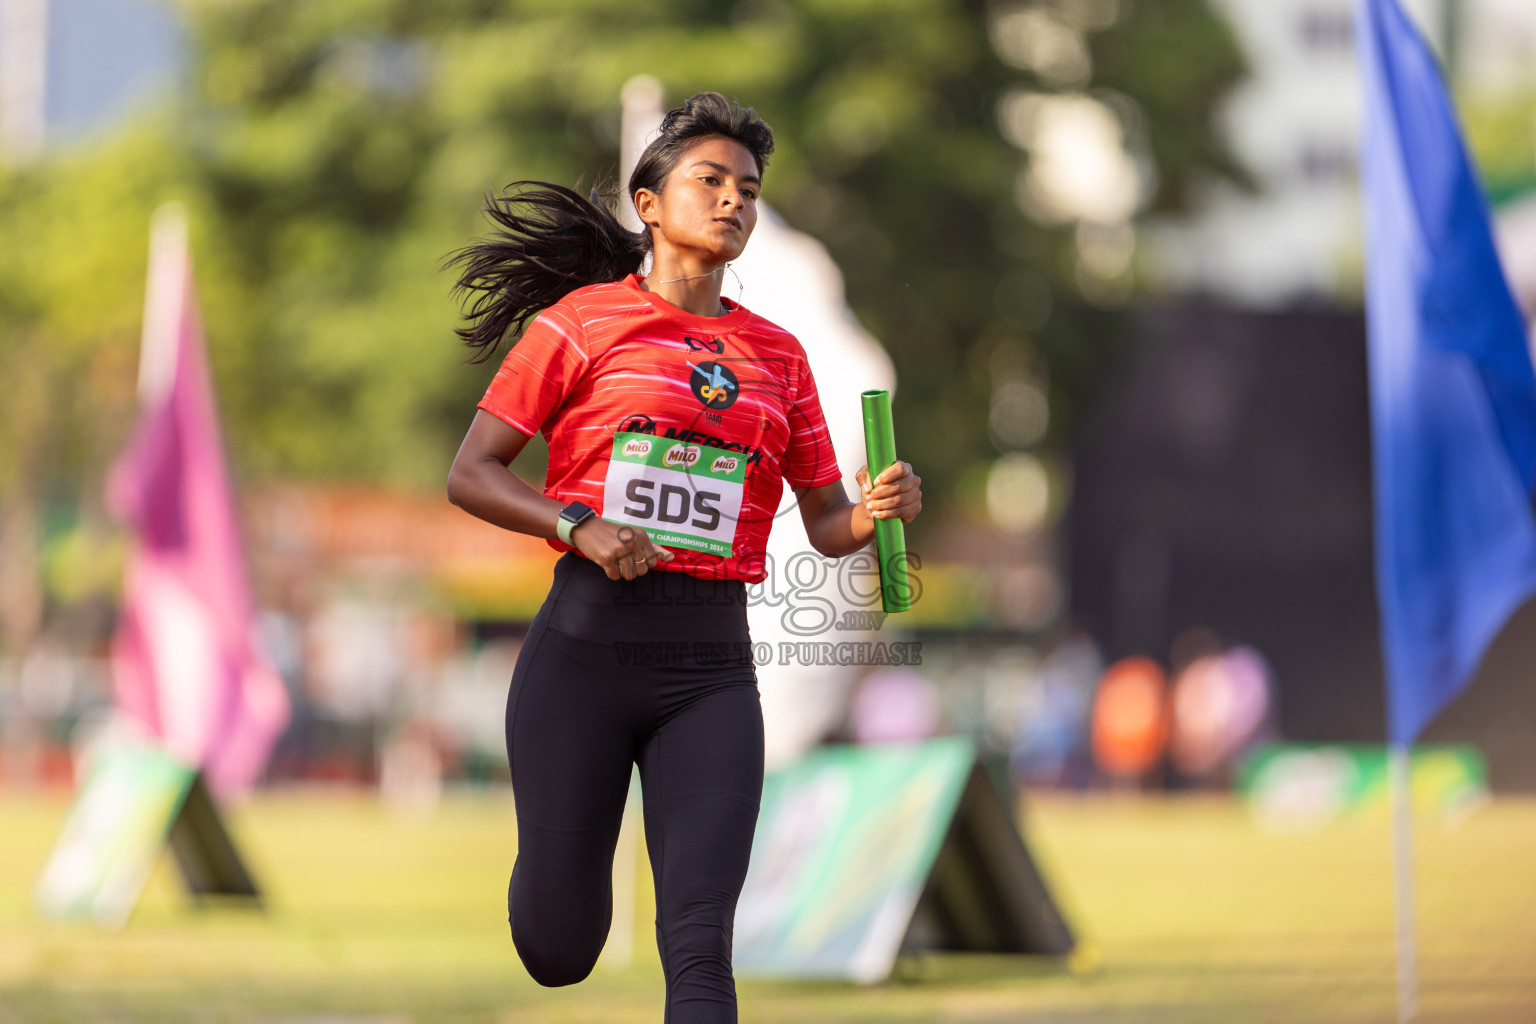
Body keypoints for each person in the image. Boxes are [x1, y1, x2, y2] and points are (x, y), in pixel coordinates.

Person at [444, 91, 922, 1023]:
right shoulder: (578, 327)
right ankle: (548, 876)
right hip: (580, 658)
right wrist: (574, 524)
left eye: (748, 187)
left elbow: (826, 523)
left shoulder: (778, 358)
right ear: (650, 203)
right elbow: (472, 474)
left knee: (701, 945)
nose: (735, 200)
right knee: (558, 949)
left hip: (709, 674)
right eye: (711, 181)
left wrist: (873, 511)